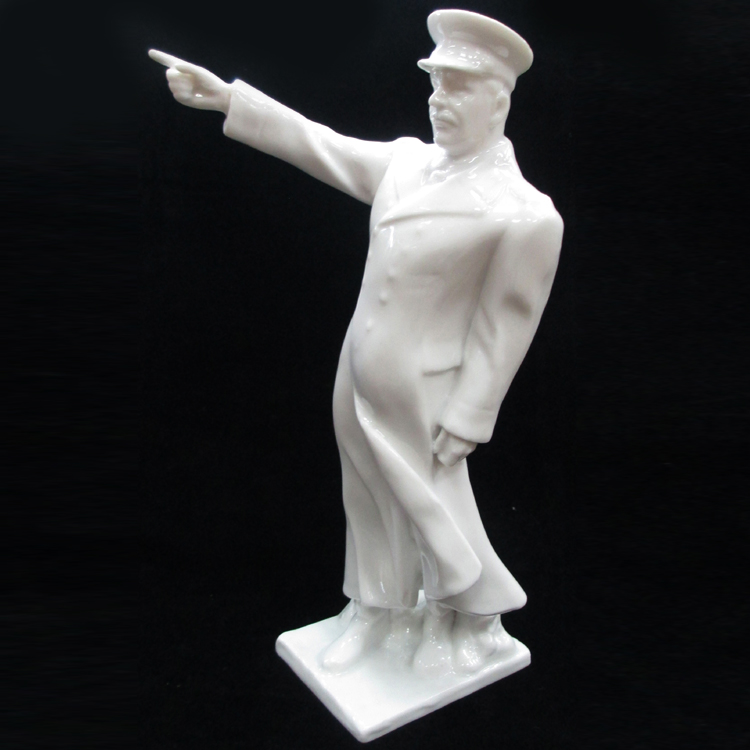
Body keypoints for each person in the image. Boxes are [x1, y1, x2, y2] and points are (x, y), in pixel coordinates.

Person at [150, 9, 563, 675]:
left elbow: (506, 323)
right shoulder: (405, 164)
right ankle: (378, 610)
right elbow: (321, 144)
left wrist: (471, 412)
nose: (438, 100)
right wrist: (229, 99)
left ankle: (475, 618)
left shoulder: (525, 214)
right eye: (435, 83)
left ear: (498, 100)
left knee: (437, 510)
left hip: (428, 388)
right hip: (360, 369)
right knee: (367, 499)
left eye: (458, 87)